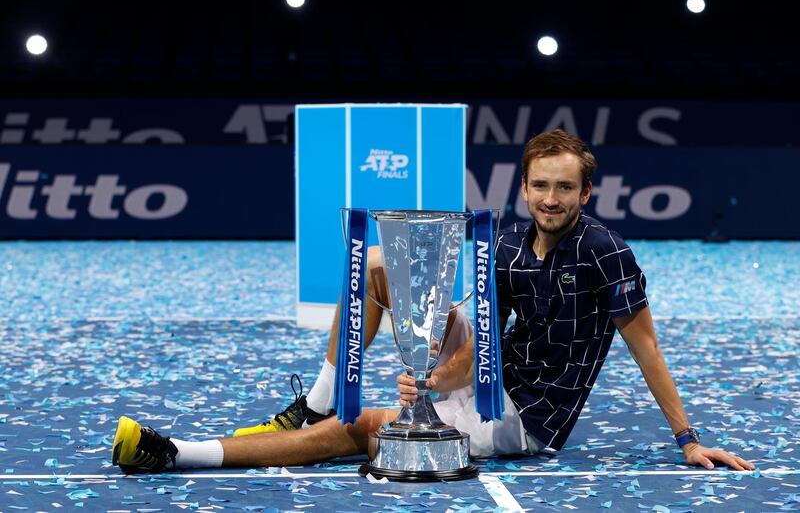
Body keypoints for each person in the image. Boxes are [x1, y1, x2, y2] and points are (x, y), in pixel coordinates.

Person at [111, 129, 754, 473]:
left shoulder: (605, 251)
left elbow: (646, 350)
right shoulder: (503, 242)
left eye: (565, 189)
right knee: (378, 268)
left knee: (363, 430)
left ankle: (178, 455)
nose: (551, 200)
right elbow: (480, 342)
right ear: (524, 188)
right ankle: (314, 402)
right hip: (484, 379)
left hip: (525, 417)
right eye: (540, 187)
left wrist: (688, 438)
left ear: (586, 193)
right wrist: (436, 377)